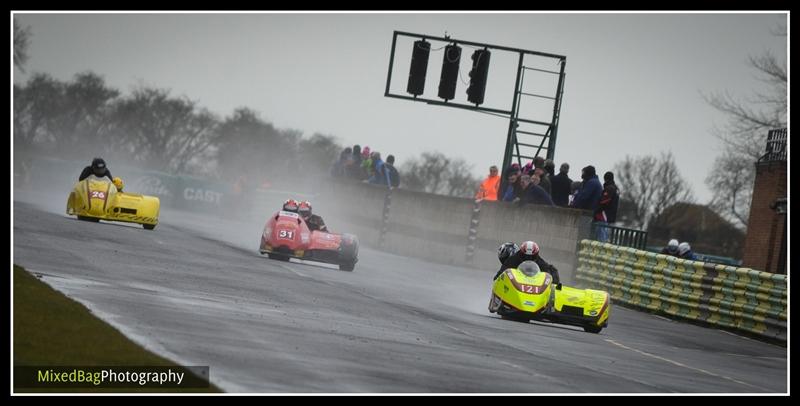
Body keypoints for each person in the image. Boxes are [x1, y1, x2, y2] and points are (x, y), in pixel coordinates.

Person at [493, 240, 561, 285]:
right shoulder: (513, 259)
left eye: (531, 257)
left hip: (534, 284)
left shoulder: (539, 261)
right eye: (526, 256)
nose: (529, 259)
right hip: (516, 284)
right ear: (521, 253)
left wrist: (553, 282)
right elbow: (502, 271)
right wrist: (498, 279)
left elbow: (548, 270)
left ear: (536, 255)